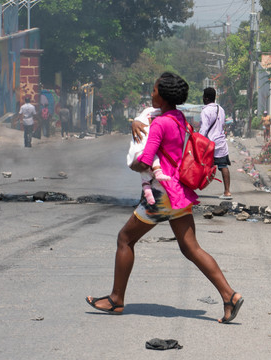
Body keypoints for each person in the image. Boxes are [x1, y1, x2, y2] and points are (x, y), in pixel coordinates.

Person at [86, 72, 244, 323]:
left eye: (154, 90)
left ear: (164, 95)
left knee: (125, 239)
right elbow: (147, 117)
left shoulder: (160, 124)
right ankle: (229, 295)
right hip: (178, 192)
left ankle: (116, 299)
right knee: (191, 248)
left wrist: (133, 163)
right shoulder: (178, 118)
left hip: (161, 195)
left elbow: (146, 160)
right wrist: (133, 123)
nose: (151, 94)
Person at [126, 107, 171, 205]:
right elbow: (139, 120)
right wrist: (135, 122)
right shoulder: (149, 112)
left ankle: (148, 203)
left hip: (163, 158)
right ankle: (146, 201)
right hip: (151, 155)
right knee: (147, 176)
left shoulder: (170, 115)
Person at [199, 87, 232, 200]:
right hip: (221, 142)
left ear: (206, 98)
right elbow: (222, 124)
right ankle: (227, 192)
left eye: (203, 96)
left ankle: (190, 188)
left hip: (209, 143)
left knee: (198, 164)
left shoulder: (205, 111)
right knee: (223, 166)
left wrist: (199, 141)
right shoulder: (221, 109)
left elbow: (204, 128)